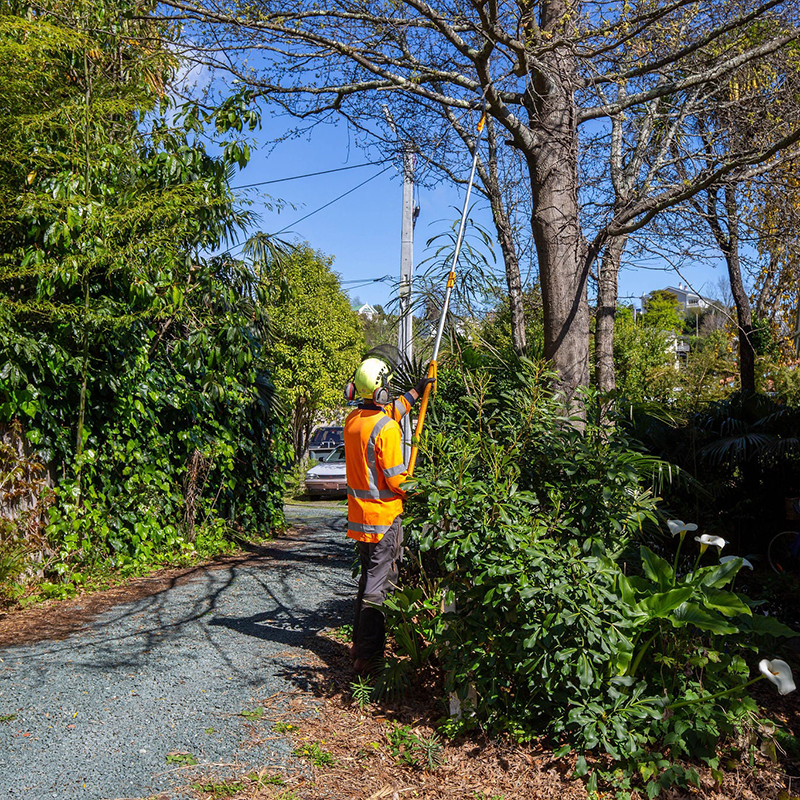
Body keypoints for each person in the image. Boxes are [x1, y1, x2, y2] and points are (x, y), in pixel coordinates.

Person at [343, 357, 432, 676]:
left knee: (369, 581)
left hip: (362, 522)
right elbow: (397, 480)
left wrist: (416, 393)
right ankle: (368, 661)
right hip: (384, 520)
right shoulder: (387, 429)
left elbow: (387, 415)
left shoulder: (354, 420)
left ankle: (359, 647)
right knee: (376, 590)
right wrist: (426, 490)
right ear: (381, 390)